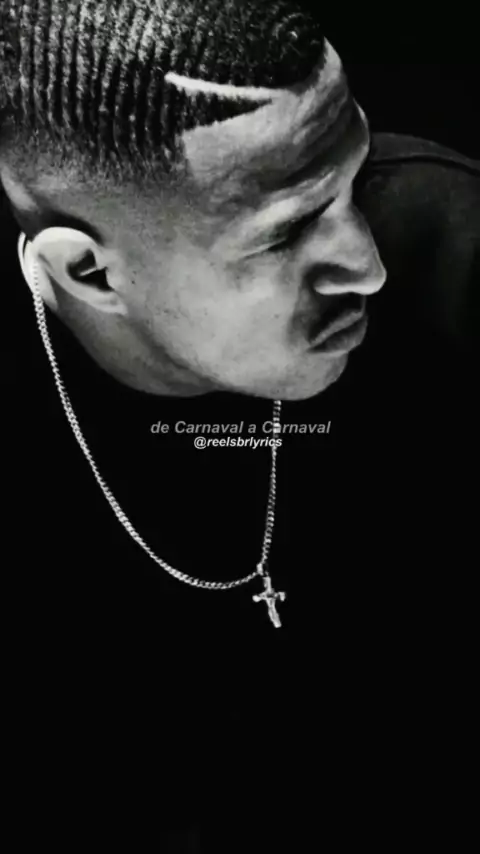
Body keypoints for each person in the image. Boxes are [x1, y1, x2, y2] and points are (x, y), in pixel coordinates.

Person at [1, 1, 478, 848]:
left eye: (354, 176)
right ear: (88, 272)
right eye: (286, 232)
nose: (366, 266)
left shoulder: (453, 253)